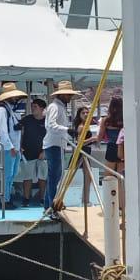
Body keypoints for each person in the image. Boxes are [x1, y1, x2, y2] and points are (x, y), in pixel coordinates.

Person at [43, 80, 79, 210]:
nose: (70, 97)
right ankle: (52, 206)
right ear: (62, 95)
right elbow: (50, 125)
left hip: (57, 144)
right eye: (68, 95)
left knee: (55, 176)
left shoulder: (60, 107)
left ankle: (49, 205)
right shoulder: (55, 107)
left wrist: (68, 133)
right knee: (54, 177)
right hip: (54, 145)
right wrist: (67, 130)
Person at [0, 82, 27, 205]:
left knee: (12, 174)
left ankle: (7, 198)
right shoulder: (2, 110)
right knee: (8, 175)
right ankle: (4, 200)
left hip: (14, 148)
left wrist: (17, 147)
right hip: (9, 148)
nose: (16, 98)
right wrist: (11, 147)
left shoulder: (9, 110)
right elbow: (3, 131)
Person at [16, 98, 47, 204]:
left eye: (35, 107)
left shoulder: (47, 121)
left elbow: (50, 137)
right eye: (32, 106)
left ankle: (43, 199)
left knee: (42, 177)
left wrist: (44, 151)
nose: (33, 109)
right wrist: (19, 146)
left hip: (42, 153)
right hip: (28, 152)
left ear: (42, 108)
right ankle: (26, 198)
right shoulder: (27, 119)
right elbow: (18, 132)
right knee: (27, 177)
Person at [97, 98, 125, 174]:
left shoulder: (106, 120)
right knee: (121, 174)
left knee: (109, 174)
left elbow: (99, 137)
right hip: (123, 147)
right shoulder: (124, 120)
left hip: (111, 147)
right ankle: (121, 186)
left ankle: (109, 186)